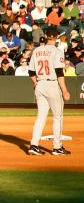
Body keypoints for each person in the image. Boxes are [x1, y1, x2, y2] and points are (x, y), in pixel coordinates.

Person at [28, 28, 71, 156]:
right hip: (52, 84)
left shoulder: (37, 50)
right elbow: (59, 73)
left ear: (46, 36)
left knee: (41, 117)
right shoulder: (58, 51)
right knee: (58, 116)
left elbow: (31, 72)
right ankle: (57, 147)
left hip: (40, 83)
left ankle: (34, 145)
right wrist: (64, 90)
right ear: (56, 37)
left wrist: (36, 84)